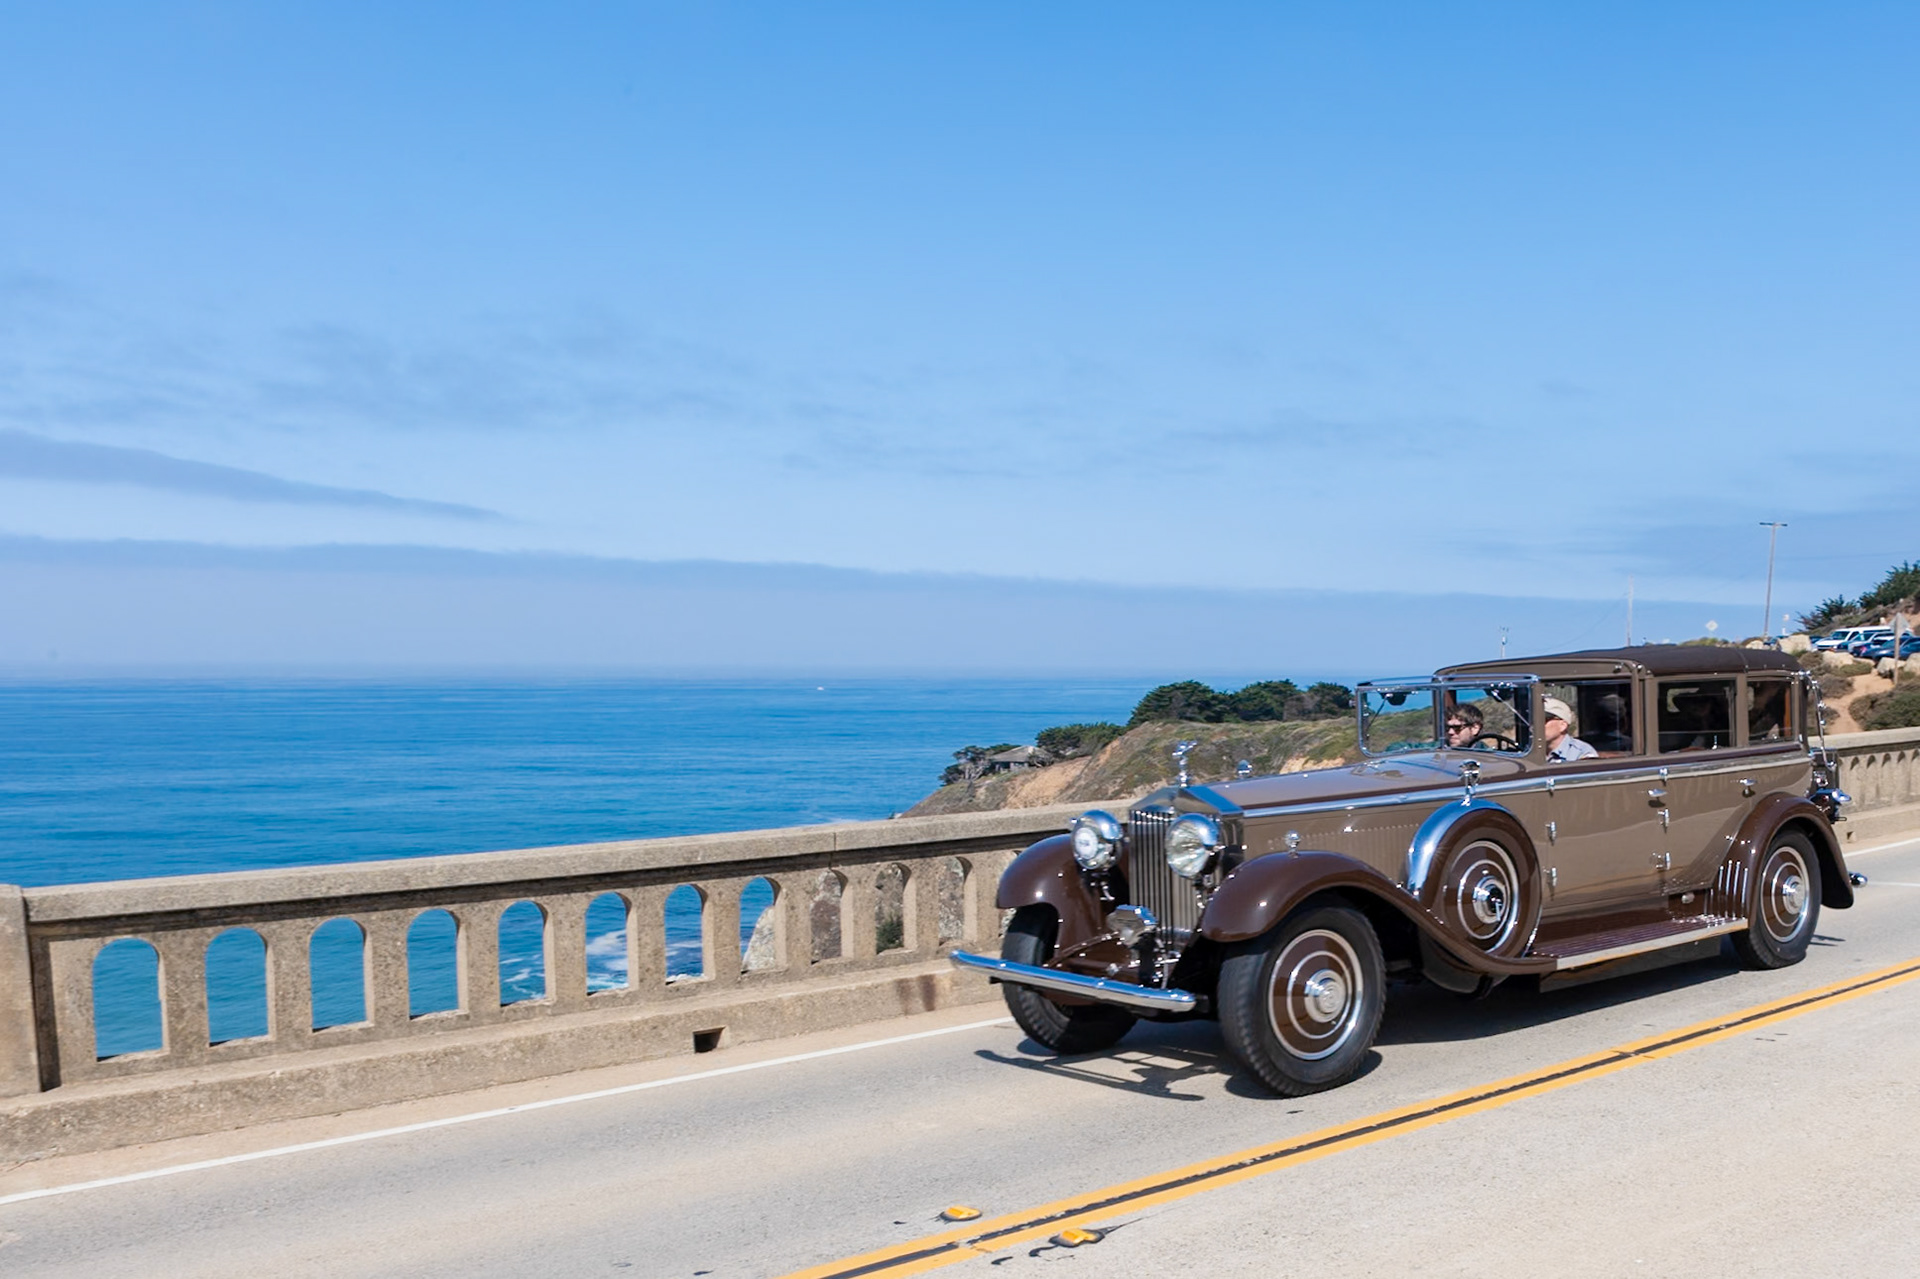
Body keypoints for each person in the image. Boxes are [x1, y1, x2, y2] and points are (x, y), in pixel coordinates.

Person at [1542, 696, 1596, 763]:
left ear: (1563, 725)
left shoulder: (1582, 753)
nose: (1536, 725)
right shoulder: (1530, 751)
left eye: (1543, 720)